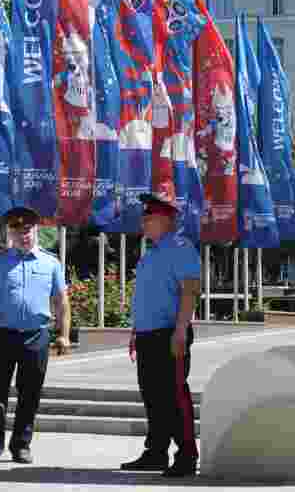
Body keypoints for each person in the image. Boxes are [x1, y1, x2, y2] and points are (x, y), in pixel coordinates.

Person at [0, 206, 70, 466]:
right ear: (10, 232)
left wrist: (64, 335)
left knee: (30, 394)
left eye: (27, 230)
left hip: (36, 336)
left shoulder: (51, 263)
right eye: (17, 230)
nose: (23, 235)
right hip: (3, 335)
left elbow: (61, 301)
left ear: (35, 230)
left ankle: (21, 446)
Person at [120, 193, 201, 478]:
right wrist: (136, 331)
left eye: (148, 218)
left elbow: (190, 291)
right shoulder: (151, 252)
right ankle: (156, 452)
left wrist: (181, 329)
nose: (143, 222)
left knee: (174, 395)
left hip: (169, 334)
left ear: (166, 220)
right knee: (153, 396)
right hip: (148, 335)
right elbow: (149, 296)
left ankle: (187, 454)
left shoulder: (180, 247)